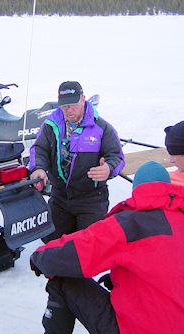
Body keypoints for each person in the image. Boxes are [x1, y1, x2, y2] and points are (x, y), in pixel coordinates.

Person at [30, 161, 184, 334]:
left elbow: (79, 250)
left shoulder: (132, 223)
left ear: (137, 190)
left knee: (62, 277)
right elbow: (171, 269)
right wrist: (121, 276)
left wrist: (41, 256)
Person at [29, 81, 125, 242]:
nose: (69, 110)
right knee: (51, 239)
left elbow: (117, 156)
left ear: (83, 99)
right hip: (60, 197)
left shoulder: (101, 127)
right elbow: (39, 149)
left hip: (91, 198)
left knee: (89, 245)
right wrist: (38, 168)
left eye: (73, 104)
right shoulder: (51, 126)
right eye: (64, 105)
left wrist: (109, 168)